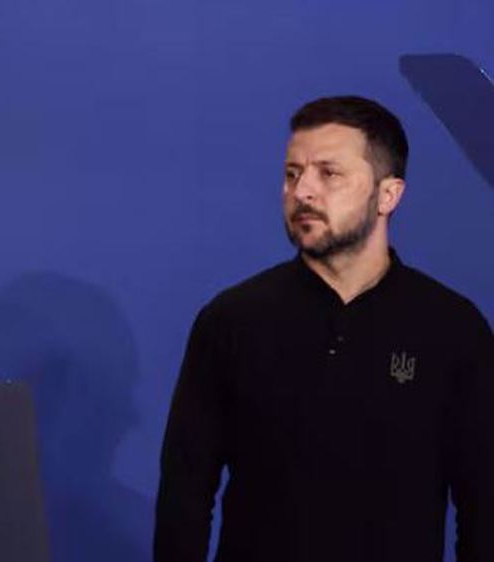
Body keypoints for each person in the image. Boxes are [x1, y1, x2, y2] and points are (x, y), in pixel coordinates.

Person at [154, 96, 493, 561]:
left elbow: (484, 503)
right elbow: (184, 494)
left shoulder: (452, 328)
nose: (303, 192)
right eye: (293, 174)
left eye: (328, 174)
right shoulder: (232, 320)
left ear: (388, 194)